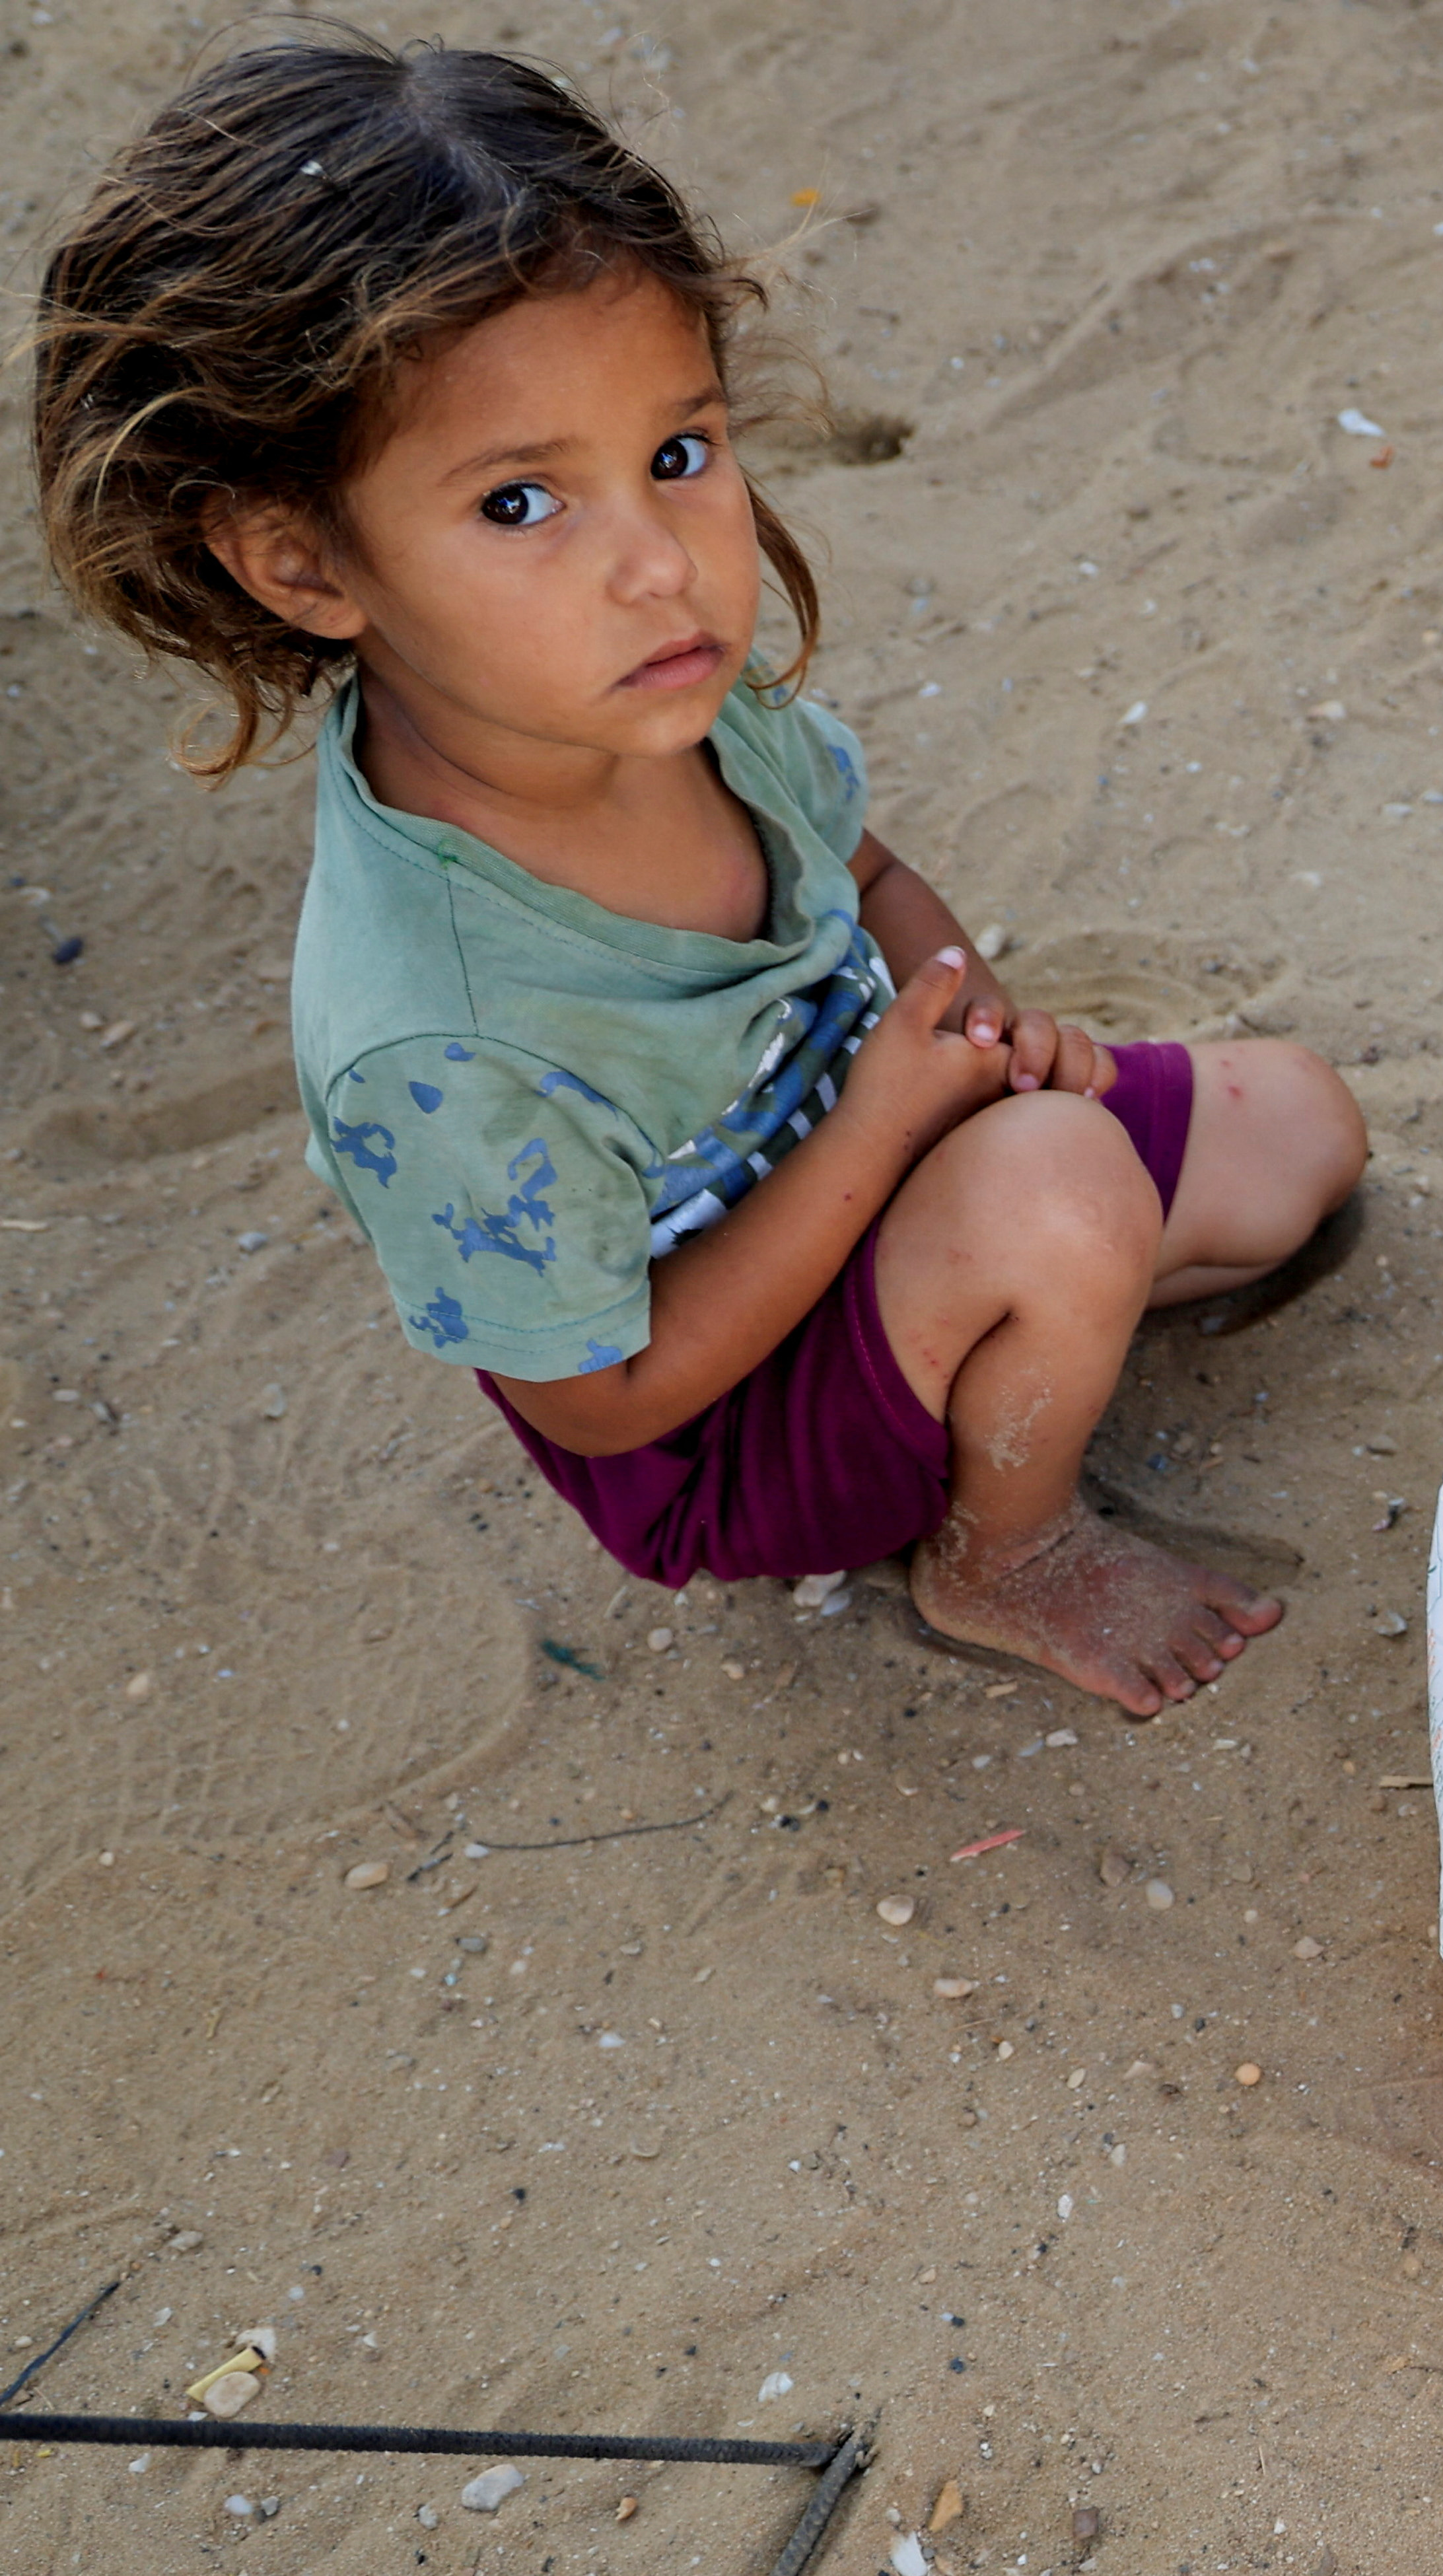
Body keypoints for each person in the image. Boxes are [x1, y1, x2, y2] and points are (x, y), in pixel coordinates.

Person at [28, 36, 1368, 1716]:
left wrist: (982, 1036)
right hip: (712, 1426)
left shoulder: (668, 681)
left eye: (677, 453)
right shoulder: (432, 1029)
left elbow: (867, 871)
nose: (660, 564)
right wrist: (910, 1122)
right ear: (303, 561)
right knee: (1060, 1193)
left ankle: (1008, 1306)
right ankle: (1000, 1552)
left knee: (1302, 1132)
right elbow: (605, 1404)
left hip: (890, 1177)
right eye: (521, 500)